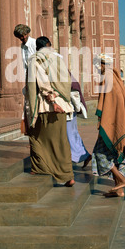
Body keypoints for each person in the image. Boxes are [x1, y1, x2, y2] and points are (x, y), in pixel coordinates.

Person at [25, 36, 75, 186]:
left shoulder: (36, 59)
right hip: (61, 104)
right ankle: (67, 175)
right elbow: (66, 80)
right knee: (60, 141)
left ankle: (41, 167)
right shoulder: (57, 59)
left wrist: (51, 99)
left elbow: (42, 80)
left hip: (47, 106)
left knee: (36, 137)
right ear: (49, 45)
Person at [91, 54, 125, 197]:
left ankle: (121, 180)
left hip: (111, 123)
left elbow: (106, 102)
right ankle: (119, 190)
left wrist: (101, 120)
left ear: (103, 64)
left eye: (97, 65)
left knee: (100, 153)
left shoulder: (107, 77)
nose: (96, 68)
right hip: (118, 123)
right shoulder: (115, 77)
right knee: (117, 156)